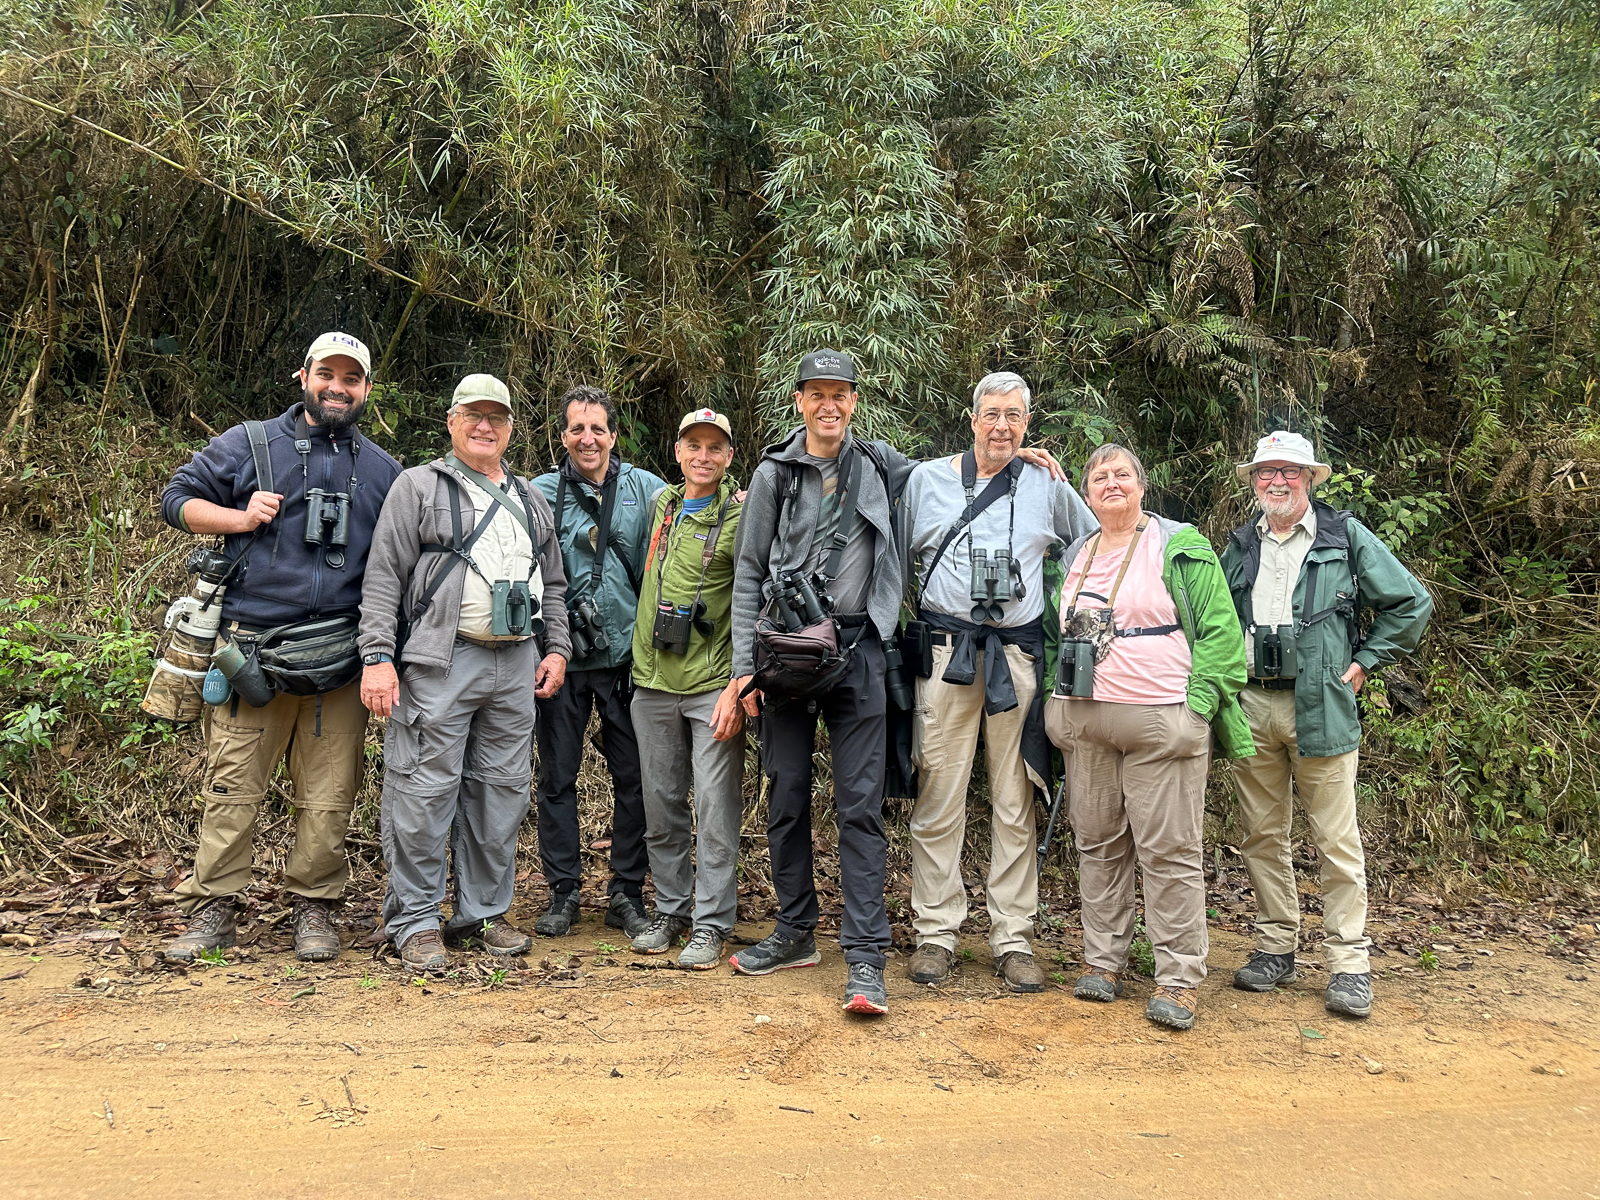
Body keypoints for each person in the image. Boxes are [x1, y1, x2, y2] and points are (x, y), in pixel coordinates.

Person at [159, 332, 402, 964]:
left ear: (366, 391)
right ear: (303, 376)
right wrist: (238, 518)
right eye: (328, 374)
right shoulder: (248, 444)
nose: (337, 387)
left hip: (340, 663)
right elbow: (175, 500)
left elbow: (402, 564)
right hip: (252, 656)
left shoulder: (382, 472)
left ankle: (315, 907)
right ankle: (212, 905)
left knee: (330, 793)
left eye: (351, 379)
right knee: (232, 785)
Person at [357, 374, 570, 971]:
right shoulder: (418, 487)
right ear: (451, 422)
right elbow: (383, 577)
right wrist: (377, 656)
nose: (485, 426)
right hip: (439, 660)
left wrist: (557, 649)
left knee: (500, 793)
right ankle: (415, 919)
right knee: (422, 790)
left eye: (496, 417)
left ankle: (480, 914)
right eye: (473, 415)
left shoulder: (530, 497)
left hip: (517, 662)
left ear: (510, 427)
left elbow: (553, 583)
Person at [1221, 431, 1432, 1019]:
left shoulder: (1345, 537)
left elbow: (1411, 603)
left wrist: (1365, 662)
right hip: (1252, 704)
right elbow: (1212, 617)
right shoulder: (1239, 545)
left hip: (1323, 702)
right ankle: (1274, 946)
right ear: (1254, 482)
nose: (1277, 482)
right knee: (1261, 834)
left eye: (1290, 472)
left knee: (1335, 840)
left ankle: (1348, 963)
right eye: (1267, 473)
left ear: (1312, 479)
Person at [1043, 443, 1253, 1031]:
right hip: (1087, 722)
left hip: (1162, 717)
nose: (1111, 483)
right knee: (1099, 843)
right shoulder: (1075, 555)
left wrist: (1199, 707)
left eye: (1122, 474)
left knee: (1169, 852)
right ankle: (1104, 962)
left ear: (1142, 485)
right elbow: (1053, 634)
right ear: (1086, 495)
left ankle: (1179, 978)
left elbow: (1219, 631)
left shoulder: (1179, 545)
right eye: (1099, 477)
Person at [728, 349, 913, 1015]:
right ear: (799, 400)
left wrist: (1018, 461)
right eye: (817, 393)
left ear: (854, 401)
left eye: (841, 393)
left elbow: (954, 482)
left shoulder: (884, 466)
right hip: (785, 653)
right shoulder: (776, 472)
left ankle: (865, 955)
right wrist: (742, 669)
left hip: (859, 651)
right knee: (786, 794)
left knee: (860, 807)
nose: (829, 404)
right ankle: (796, 930)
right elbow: (749, 571)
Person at [900, 372, 1095, 993]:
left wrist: (1081, 633)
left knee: (1016, 799)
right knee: (939, 791)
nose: (1002, 425)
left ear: (1028, 423)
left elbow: (1097, 549)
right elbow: (888, 558)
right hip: (944, 654)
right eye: (992, 413)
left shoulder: (1047, 483)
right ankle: (936, 932)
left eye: (1014, 415)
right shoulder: (926, 481)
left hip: (1017, 657)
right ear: (972, 416)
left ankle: (1013, 936)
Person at [531, 386, 667, 938]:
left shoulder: (645, 490)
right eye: (576, 429)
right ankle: (563, 892)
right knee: (558, 779)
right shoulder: (538, 493)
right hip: (560, 658)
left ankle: (626, 893)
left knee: (634, 778)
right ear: (562, 436)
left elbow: (697, 506)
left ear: (614, 434)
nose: (587, 439)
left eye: (597, 429)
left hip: (624, 661)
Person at [627, 409, 746, 970]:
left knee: (715, 809)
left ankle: (712, 921)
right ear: (677, 451)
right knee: (662, 806)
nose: (703, 456)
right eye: (693, 445)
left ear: (728, 457)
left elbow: (753, 600)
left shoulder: (741, 516)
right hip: (651, 682)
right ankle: (671, 908)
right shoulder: (662, 506)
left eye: (714, 448)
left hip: (709, 687)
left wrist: (742, 683)